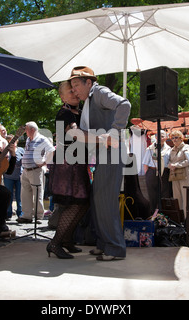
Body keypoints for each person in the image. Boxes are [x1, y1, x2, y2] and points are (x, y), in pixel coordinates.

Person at [69, 66, 131, 261]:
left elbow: (124, 104)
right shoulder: (87, 101)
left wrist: (116, 130)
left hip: (112, 153)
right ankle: (104, 244)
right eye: (71, 86)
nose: (74, 90)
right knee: (98, 200)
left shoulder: (100, 92)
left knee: (106, 200)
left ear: (89, 82)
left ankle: (115, 248)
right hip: (102, 154)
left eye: (76, 85)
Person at [46, 81, 90, 259]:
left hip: (77, 161)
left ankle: (66, 240)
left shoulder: (79, 112)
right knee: (75, 202)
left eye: (74, 90)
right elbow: (74, 132)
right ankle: (55, 243)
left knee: (83, 203)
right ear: (62, 97)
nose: (73, 93)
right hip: (68, 163)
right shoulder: (64, 113)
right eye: (69, 92)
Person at [17, 122, 55, 224]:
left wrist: (44, 163)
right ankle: (26, 215)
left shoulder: (42, 139)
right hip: (26, 170)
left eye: (26, 129)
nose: (25, 132)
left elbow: (51, 150)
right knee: (25, 194)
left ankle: (38, 216)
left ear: (32, 130)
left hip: (35, 170)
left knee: (37, 193)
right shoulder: (29, 139)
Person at [142, 130, 172, 214]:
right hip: (152, 172)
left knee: (165, 194)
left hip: (165, 173)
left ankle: (163, 216)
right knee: (152, 195)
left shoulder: (169, 149)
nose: (160, 138)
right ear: (155, 137)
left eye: (162, 136)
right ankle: (153, 215)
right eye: (158, 136)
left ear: (166, 137)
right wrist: (148, 174)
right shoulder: (150, 149)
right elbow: (145, 163)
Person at [168, 130, 189, 218]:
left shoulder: (187, 147)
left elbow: (188, 160)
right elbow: (169, 161)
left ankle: (187, 221)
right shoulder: (171, 150)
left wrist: (176, 165)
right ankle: (180, 220)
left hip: (185, 175)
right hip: (175, 176)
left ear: (181, 138)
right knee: (177, 198)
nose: (174, 140)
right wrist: (170, 165)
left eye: (176, 137)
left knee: (186, 199)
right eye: (172, 138)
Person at [3, 138, 24, 219]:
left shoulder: (21, 150)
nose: (12, 143)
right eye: (10, 141)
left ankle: (20, 213)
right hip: (8, 176)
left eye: (14, 141)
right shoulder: (6, 150)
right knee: (9, 195)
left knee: (19, 196)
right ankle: (8, 213)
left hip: (19, 175)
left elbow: (23, 160)